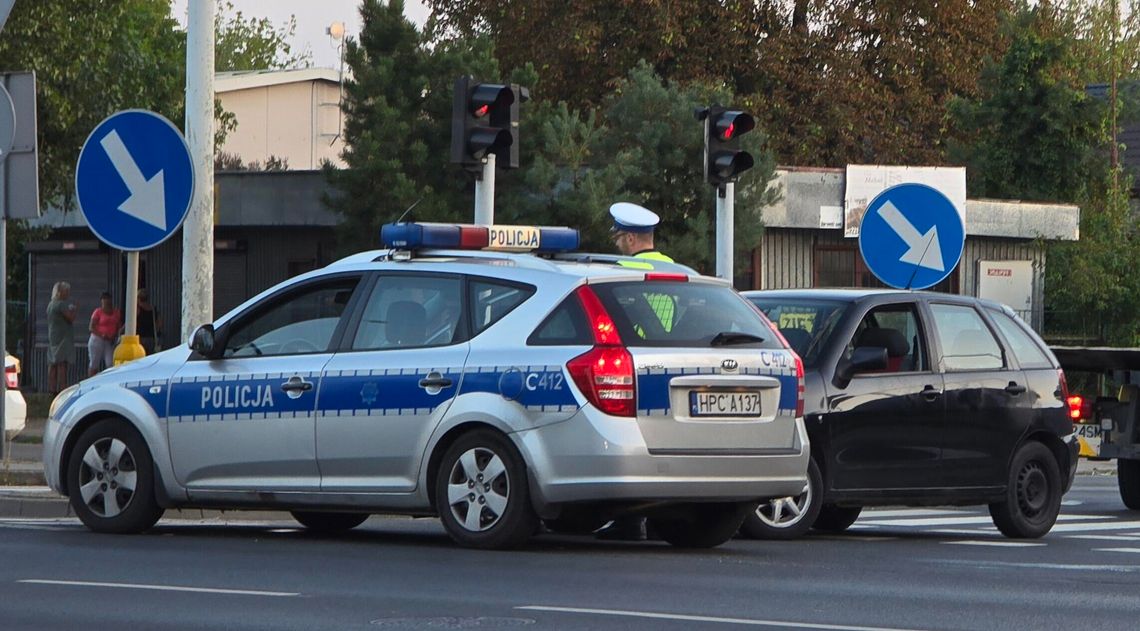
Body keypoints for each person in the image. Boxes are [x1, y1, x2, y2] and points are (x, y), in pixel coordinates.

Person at [595, 203, 677, 543]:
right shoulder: (674, 268)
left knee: (632, 446)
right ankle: (661, 518)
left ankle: (629, 521)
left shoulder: (621, 271)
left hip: (633, 362)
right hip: (671, 360)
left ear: (630, 238)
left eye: (618, 238)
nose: (616, 244)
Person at [46, 281, 78, 395]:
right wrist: (74, 309)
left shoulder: (50, 304)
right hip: (62, 339)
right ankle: (62, 390)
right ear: (59, 292)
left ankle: (51, 389)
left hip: (53, 337)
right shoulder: (60, 304)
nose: (68, 294)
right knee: (62, 364)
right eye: (66, 291)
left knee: (52, 363)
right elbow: (70, 318)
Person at [88, 291, 122, 376]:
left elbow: (118, 326)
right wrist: (102, 335)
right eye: (104, 302)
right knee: (94, 362)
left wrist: (115, 336)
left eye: (108, 302)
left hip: (110, 340)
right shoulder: (98, 312)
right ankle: (91, 380)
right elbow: (91, 327)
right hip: (97, 339)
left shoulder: (116, 312)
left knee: (110, 363)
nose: (106, 305)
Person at [136, 288, 163, 354]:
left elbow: (130, 323)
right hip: (151, 338)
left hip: (139, 339)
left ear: (138, 299)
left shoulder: (137, 310)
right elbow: (160, 324)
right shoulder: (154, 310)